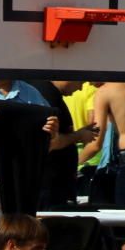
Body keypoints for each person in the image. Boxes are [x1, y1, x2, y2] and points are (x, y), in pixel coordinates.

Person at [0, 81, 59, 238]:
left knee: (10, 242)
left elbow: (50, 141)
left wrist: (52, 133)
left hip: (16, 182)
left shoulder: (31, 93)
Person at [27, 81, 99, 209]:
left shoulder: (51, 94)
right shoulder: (47, 95)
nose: (81, 88)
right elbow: (50, 142)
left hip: (56, 183)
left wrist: (80, 133)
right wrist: (79, 135)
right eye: (80, 82)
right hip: (51, 184)